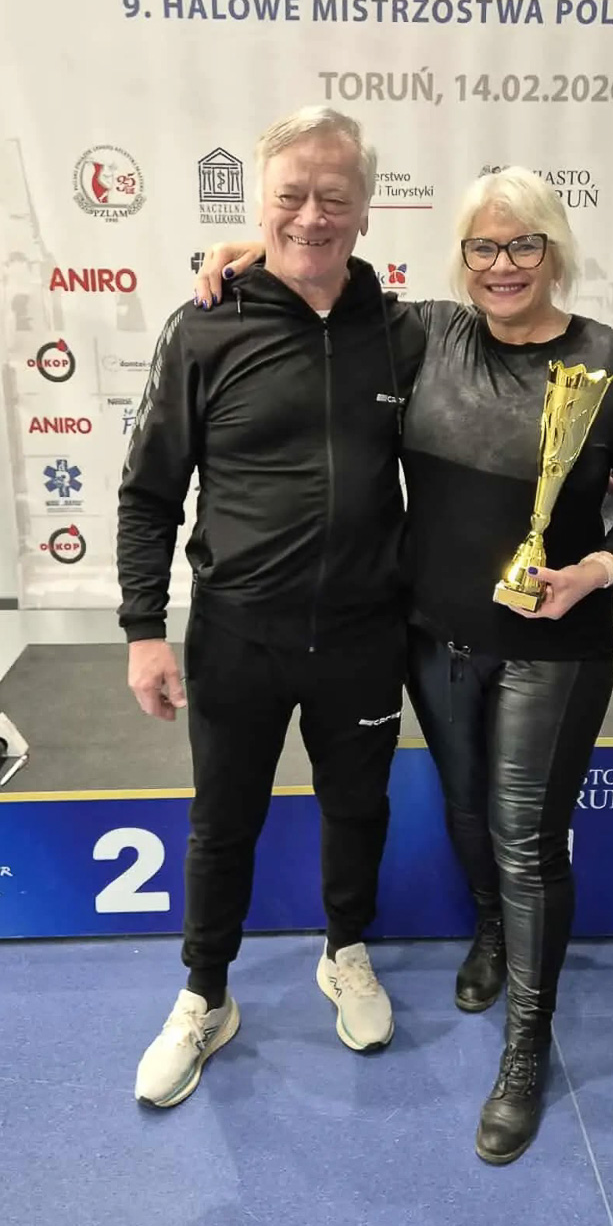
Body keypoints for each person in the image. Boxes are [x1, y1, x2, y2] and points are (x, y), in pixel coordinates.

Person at [196, 162, 613, 1164]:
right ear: (461, 257)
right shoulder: (426, 334)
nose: (502, 265)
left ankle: (525, 1046)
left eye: (522, 244)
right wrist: (257, 254)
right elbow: (330, 283)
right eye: (482, 246)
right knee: (467, 810)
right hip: (431, 638)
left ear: (554, 251)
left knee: (527, 841)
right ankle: (492, 933)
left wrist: (595, 568)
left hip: (553, 647)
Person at [118, 106, 425, 1109]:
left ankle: (345, 951)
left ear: (367, 210)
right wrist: (142, 631)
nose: (311, 216)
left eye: (334, 196)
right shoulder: (202, 326)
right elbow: (148, 493)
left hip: (364, 636)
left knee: (358, 807)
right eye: (290, 195)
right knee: (222, 822)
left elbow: (513, 333)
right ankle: (204, 994)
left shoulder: (403, 333)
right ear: (258, 204)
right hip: (237, 634)